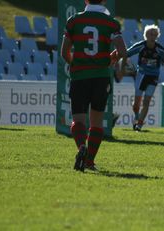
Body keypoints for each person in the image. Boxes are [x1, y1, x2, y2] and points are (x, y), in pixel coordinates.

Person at [61, 0, 127, 172]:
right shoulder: (111, 23)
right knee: (96, 122)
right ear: (104, 0)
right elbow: (122, 51)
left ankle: (81, 146)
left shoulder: (74, 20)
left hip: (80, 76)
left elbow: (64, 52)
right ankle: (89, 161)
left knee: (78, 119)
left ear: (85, 0)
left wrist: (74, 64)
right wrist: (114, 59)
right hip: (101, 77)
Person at [126, 24, 164, 131]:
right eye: (150, 33)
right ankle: (136, 117)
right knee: (136, 104)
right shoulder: (141, 46)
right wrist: (124, 68)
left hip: (153, 76)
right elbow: (126, 54)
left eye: (154, 34)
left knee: (147, 101)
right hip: (141, 75)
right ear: (146, 35)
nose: (152, 36)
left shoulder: (159, 49)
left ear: (157, 36)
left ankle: (139, 125)